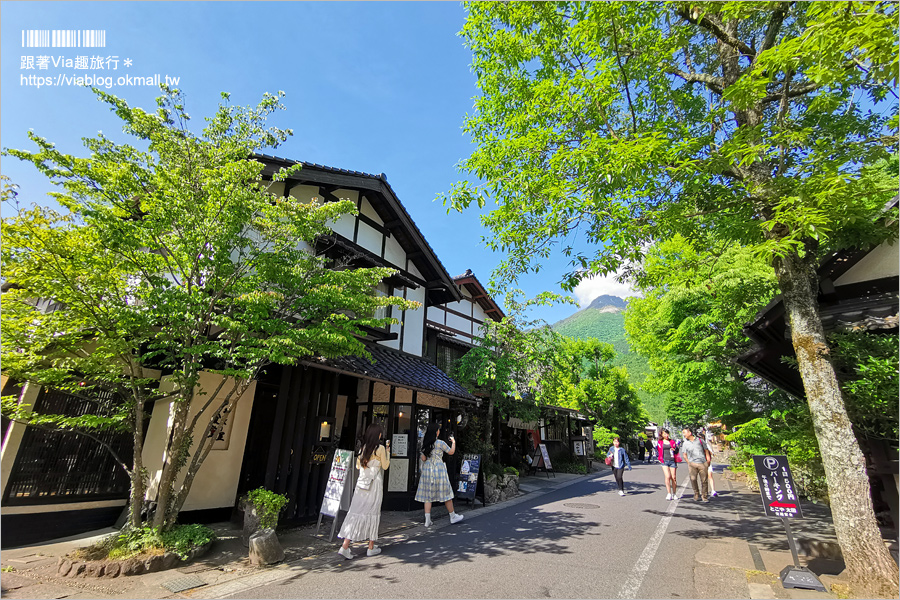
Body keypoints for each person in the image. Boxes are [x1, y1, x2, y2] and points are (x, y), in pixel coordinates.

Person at [337, 423, 390, 559]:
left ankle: (345, 545)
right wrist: (388, 453)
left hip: (361, 485)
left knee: (355, 512)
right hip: (374, 484)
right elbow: (385, 466)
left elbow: (357, 465)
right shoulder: (381, 448)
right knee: (373, 512)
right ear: (377, 435)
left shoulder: (363, 448)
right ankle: (370, 547)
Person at [414, 423, 464, 527]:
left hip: (428, 469)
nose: (439, 431)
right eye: (438, 430)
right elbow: (451, 452)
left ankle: (427, 520)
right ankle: (453, 516)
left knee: (427, 494)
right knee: (445, 491)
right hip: (439, 469)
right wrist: (453, 442)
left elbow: (423, 458)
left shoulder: (426, 443)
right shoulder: (440, 443)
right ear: (436, 432)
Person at [681, 427, 712, 502]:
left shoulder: (700, 441)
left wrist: (708, 460)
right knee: (693, 479)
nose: (683, 434)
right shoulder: (685, 443)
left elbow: (706, 450)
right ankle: (696, 493)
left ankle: (704, 496)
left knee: (704, 480)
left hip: (702, 462)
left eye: (684, 433)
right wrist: (689, 462)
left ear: (689, 433)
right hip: (692, 464)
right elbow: (684, 454)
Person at [657, 429, 680, 500]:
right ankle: (669, 493)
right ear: (662, 435)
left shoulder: (672, 442)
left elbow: (677, 450)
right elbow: (657, 450)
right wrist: (659, 458)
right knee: (668, 476)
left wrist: (675, 450)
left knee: (673, 477)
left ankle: (674, 493)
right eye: (664, 434)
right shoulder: (660, 442)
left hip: (672, 460)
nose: (666, 435)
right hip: (664, 460)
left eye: (667, 434)